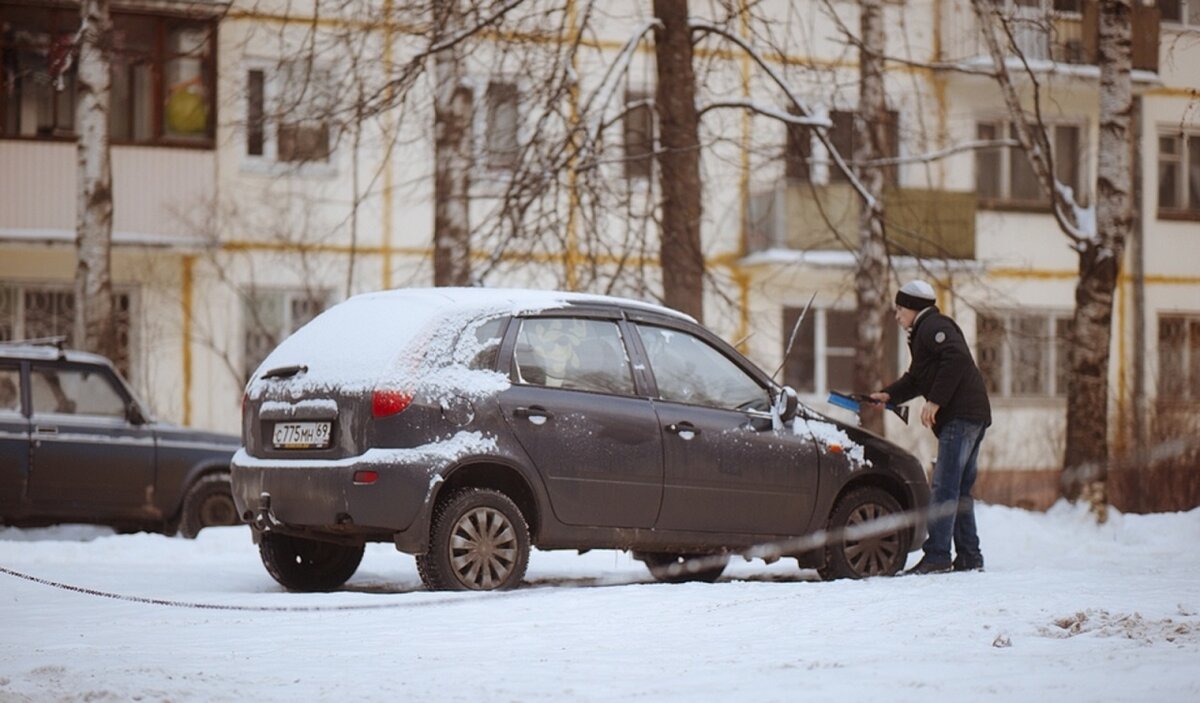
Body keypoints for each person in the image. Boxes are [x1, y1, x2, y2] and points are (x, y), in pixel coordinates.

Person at [870, 280, 991, 575]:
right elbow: (916, 378)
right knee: (959, 489)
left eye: (900, 310)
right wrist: (890, 395)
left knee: (945, 487)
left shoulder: (933, 326)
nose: (897, 316)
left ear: (913, 308)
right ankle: (969, 556)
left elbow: (957, 358)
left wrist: (935, 401)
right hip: (972, 414)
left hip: (960, 416)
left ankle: (937, 555)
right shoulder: (923, 333)